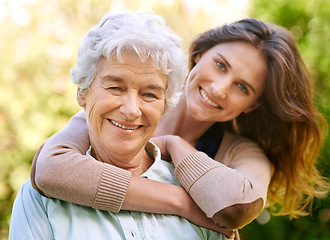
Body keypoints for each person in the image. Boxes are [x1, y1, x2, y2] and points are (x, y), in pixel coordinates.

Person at [30, 14, 328, 235]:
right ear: (198, 55)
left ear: (251, 105)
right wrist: (184, 204)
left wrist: (174, 145)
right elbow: (50, 169)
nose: (220, 88)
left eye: (242, 87)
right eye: (221, 65)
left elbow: (237, 206)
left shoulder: (240, 152)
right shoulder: (125, 113)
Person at [9, 10, 231, 240]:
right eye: (115, 88)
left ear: (165, 105)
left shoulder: (198, 199)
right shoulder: (40, 199)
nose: (131, 110)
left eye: (149, 94)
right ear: (82, 92)